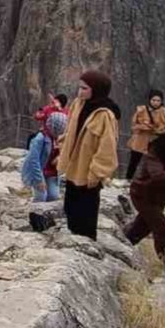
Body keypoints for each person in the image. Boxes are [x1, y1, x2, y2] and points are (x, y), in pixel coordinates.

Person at [58, 70, 121, 240]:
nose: (80, 92)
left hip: (88, 173)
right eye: (79, 88)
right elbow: (70, 129)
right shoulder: (78, 104)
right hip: (73, 167)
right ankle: (72, 240)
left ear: (97, 89)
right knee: (70, 208)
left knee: (86, 214)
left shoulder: (105, 114)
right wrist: (62, 146)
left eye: (85, 88)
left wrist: (97, 173)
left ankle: (86, 245)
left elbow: (107, 148)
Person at [124, 127, 165, 266]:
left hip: (161, 197)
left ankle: (123, 244)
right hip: (144, 195)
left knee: (142, 228)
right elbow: (158, 176)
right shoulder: (155, 153)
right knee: (162, 227)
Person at [126, 90, 165, 180]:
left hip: (157, 140)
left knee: (155, 161)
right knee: (134, 160)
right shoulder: (141, 110)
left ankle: (154, 180)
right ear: (149, 100)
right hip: (141, 139)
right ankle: (128, 179)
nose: (156, 103)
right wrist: (144, 127)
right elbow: (134, 125)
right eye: (154, 100)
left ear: (161, 101)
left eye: (158, 100)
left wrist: (158, 130)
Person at [22, 112, 69, 202]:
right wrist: (39, 180)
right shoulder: (40, 138)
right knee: (41, 196)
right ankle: (36, 213)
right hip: (39, 171)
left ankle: (47, 214)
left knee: (53, 196)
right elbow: (33, 160)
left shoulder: (59, 138)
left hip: (52, 172)